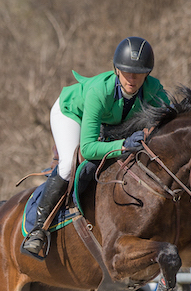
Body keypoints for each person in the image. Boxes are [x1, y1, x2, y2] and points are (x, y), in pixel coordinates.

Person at [21, 37, 171, 260]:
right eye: (127, 71)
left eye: (139, 73)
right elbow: (89, 148)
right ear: (116, 70)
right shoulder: (100, 92)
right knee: (68, 166)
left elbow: (170, 126)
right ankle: (38, 229)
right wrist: (122, 145)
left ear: (147, 74)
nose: (132, 78)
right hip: (72, 114)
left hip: (107, 122)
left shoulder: (154, 92)